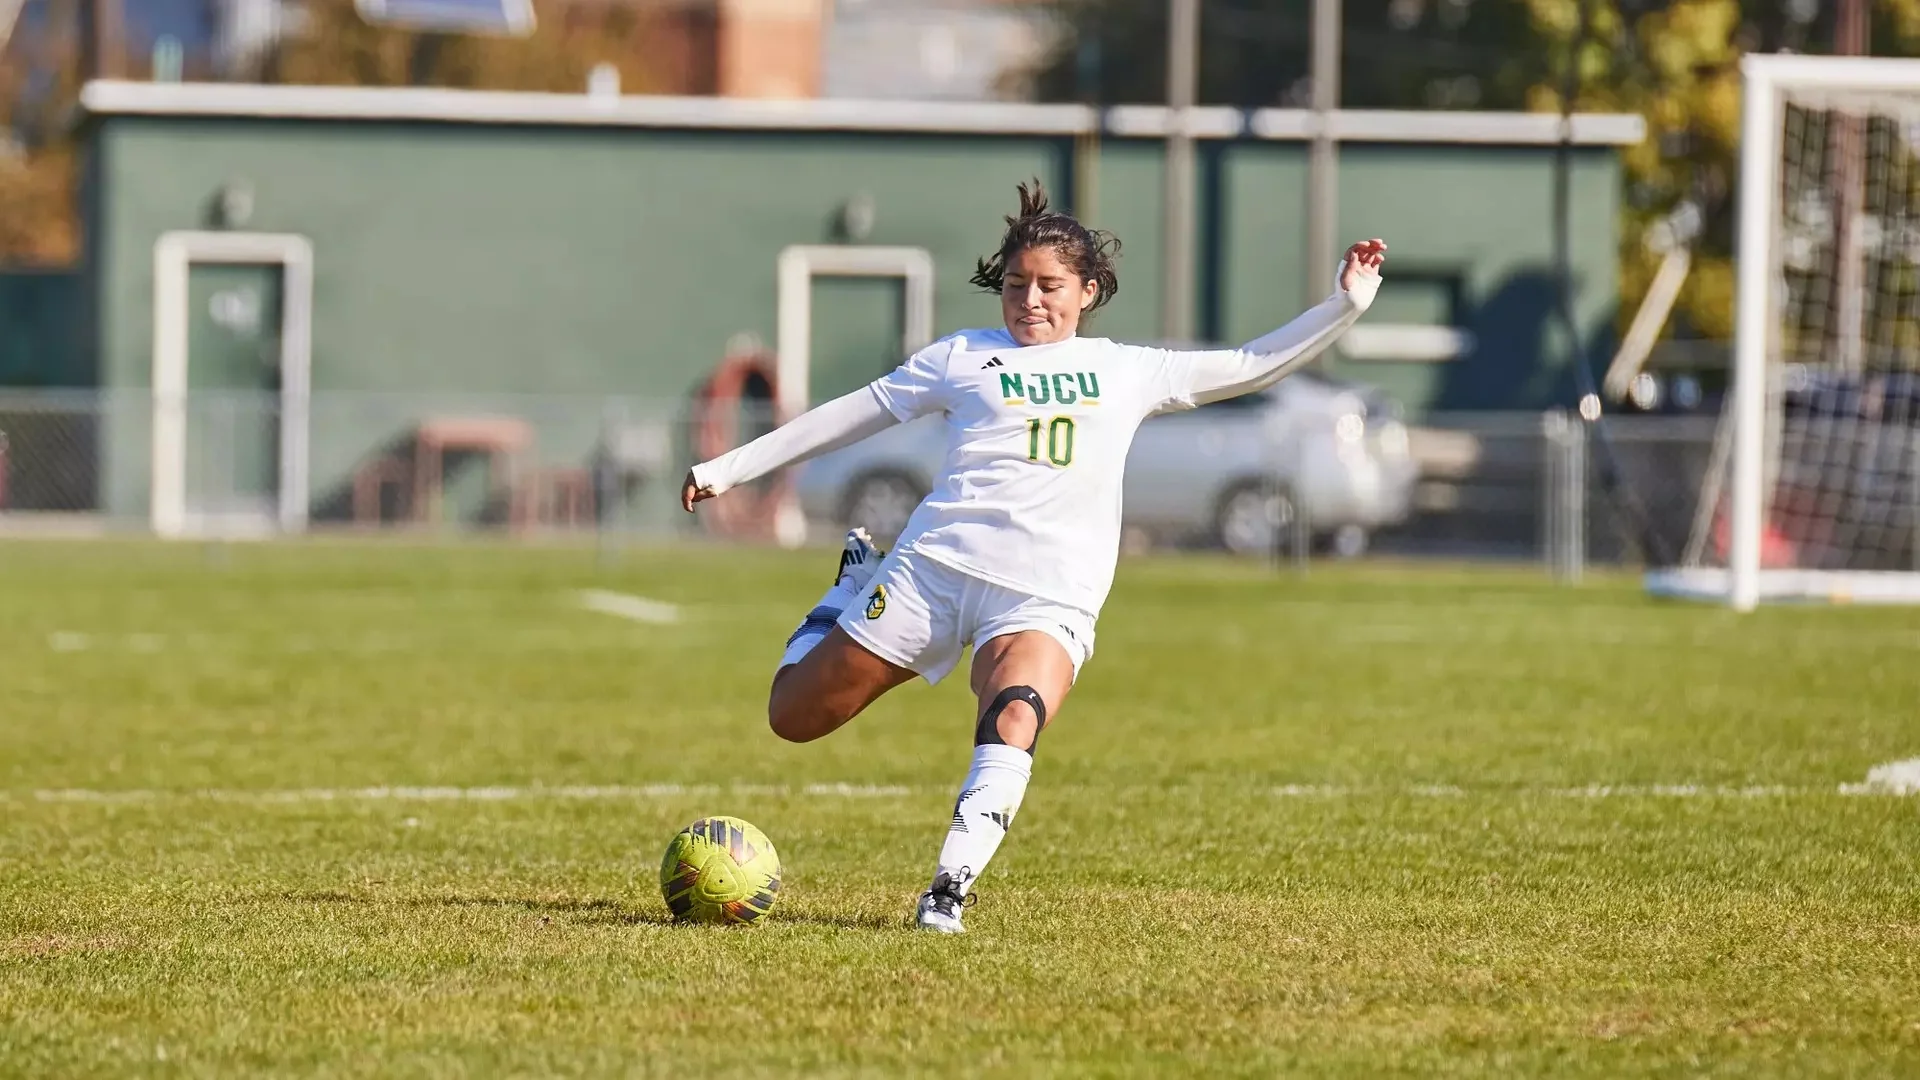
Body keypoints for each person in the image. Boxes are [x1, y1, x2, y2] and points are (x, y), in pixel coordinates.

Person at [682, 181, 1385, 933]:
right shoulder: (961, 357)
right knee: (793, 717)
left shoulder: (1127, 369)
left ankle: (946, 894)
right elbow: (848, 415)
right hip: (933, 573)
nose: (1030, 301)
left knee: (1016, 713)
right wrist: (729, 469)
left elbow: (1253, 362)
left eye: (1050, 286)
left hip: (1046, 597)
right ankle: (846, 593)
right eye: (1016, 285)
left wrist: (1345, 304)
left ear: (1087, 291)